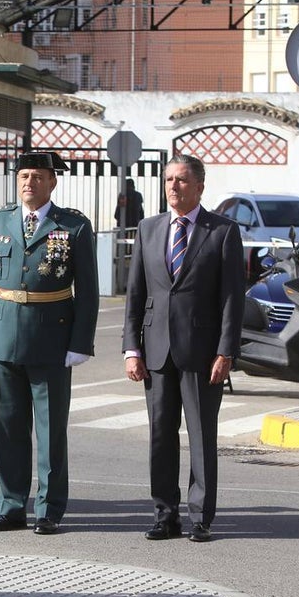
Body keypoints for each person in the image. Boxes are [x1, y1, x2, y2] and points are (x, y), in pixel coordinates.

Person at [0, 151, 99, 536]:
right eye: (24, 175)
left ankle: (48, 509)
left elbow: (89, 291)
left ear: (52, 182)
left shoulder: (73, 226)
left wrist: (80, 342)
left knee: (49, 431)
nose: (29, 182)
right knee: (8, 427)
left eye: (38, 177)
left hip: (51, 339)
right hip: (6, 335)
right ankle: (11, 506)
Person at [122, 153, 245, 543]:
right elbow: (135, 294)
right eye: (169, 180)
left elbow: (231, 298)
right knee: (161, 435)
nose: (173, 187)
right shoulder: (149, 228)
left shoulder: (222, 232)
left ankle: (200, 517)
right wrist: (131, 349)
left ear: (199, 187)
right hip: (156, 350)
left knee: (201, 436)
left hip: (203, 352)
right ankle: (165, 514)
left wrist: (226, 351)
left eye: (181, 180)